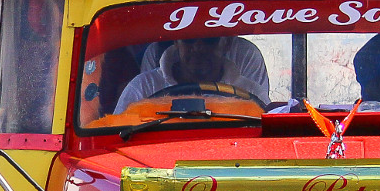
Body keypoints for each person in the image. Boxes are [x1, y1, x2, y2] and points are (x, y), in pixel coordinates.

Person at [115, 36, 269, 111]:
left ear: (226, 44)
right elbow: (118, 134)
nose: (198, 48)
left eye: (209, 40)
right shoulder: (144, 87)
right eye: (189, 40)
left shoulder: (253, 92)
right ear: (176, 42)